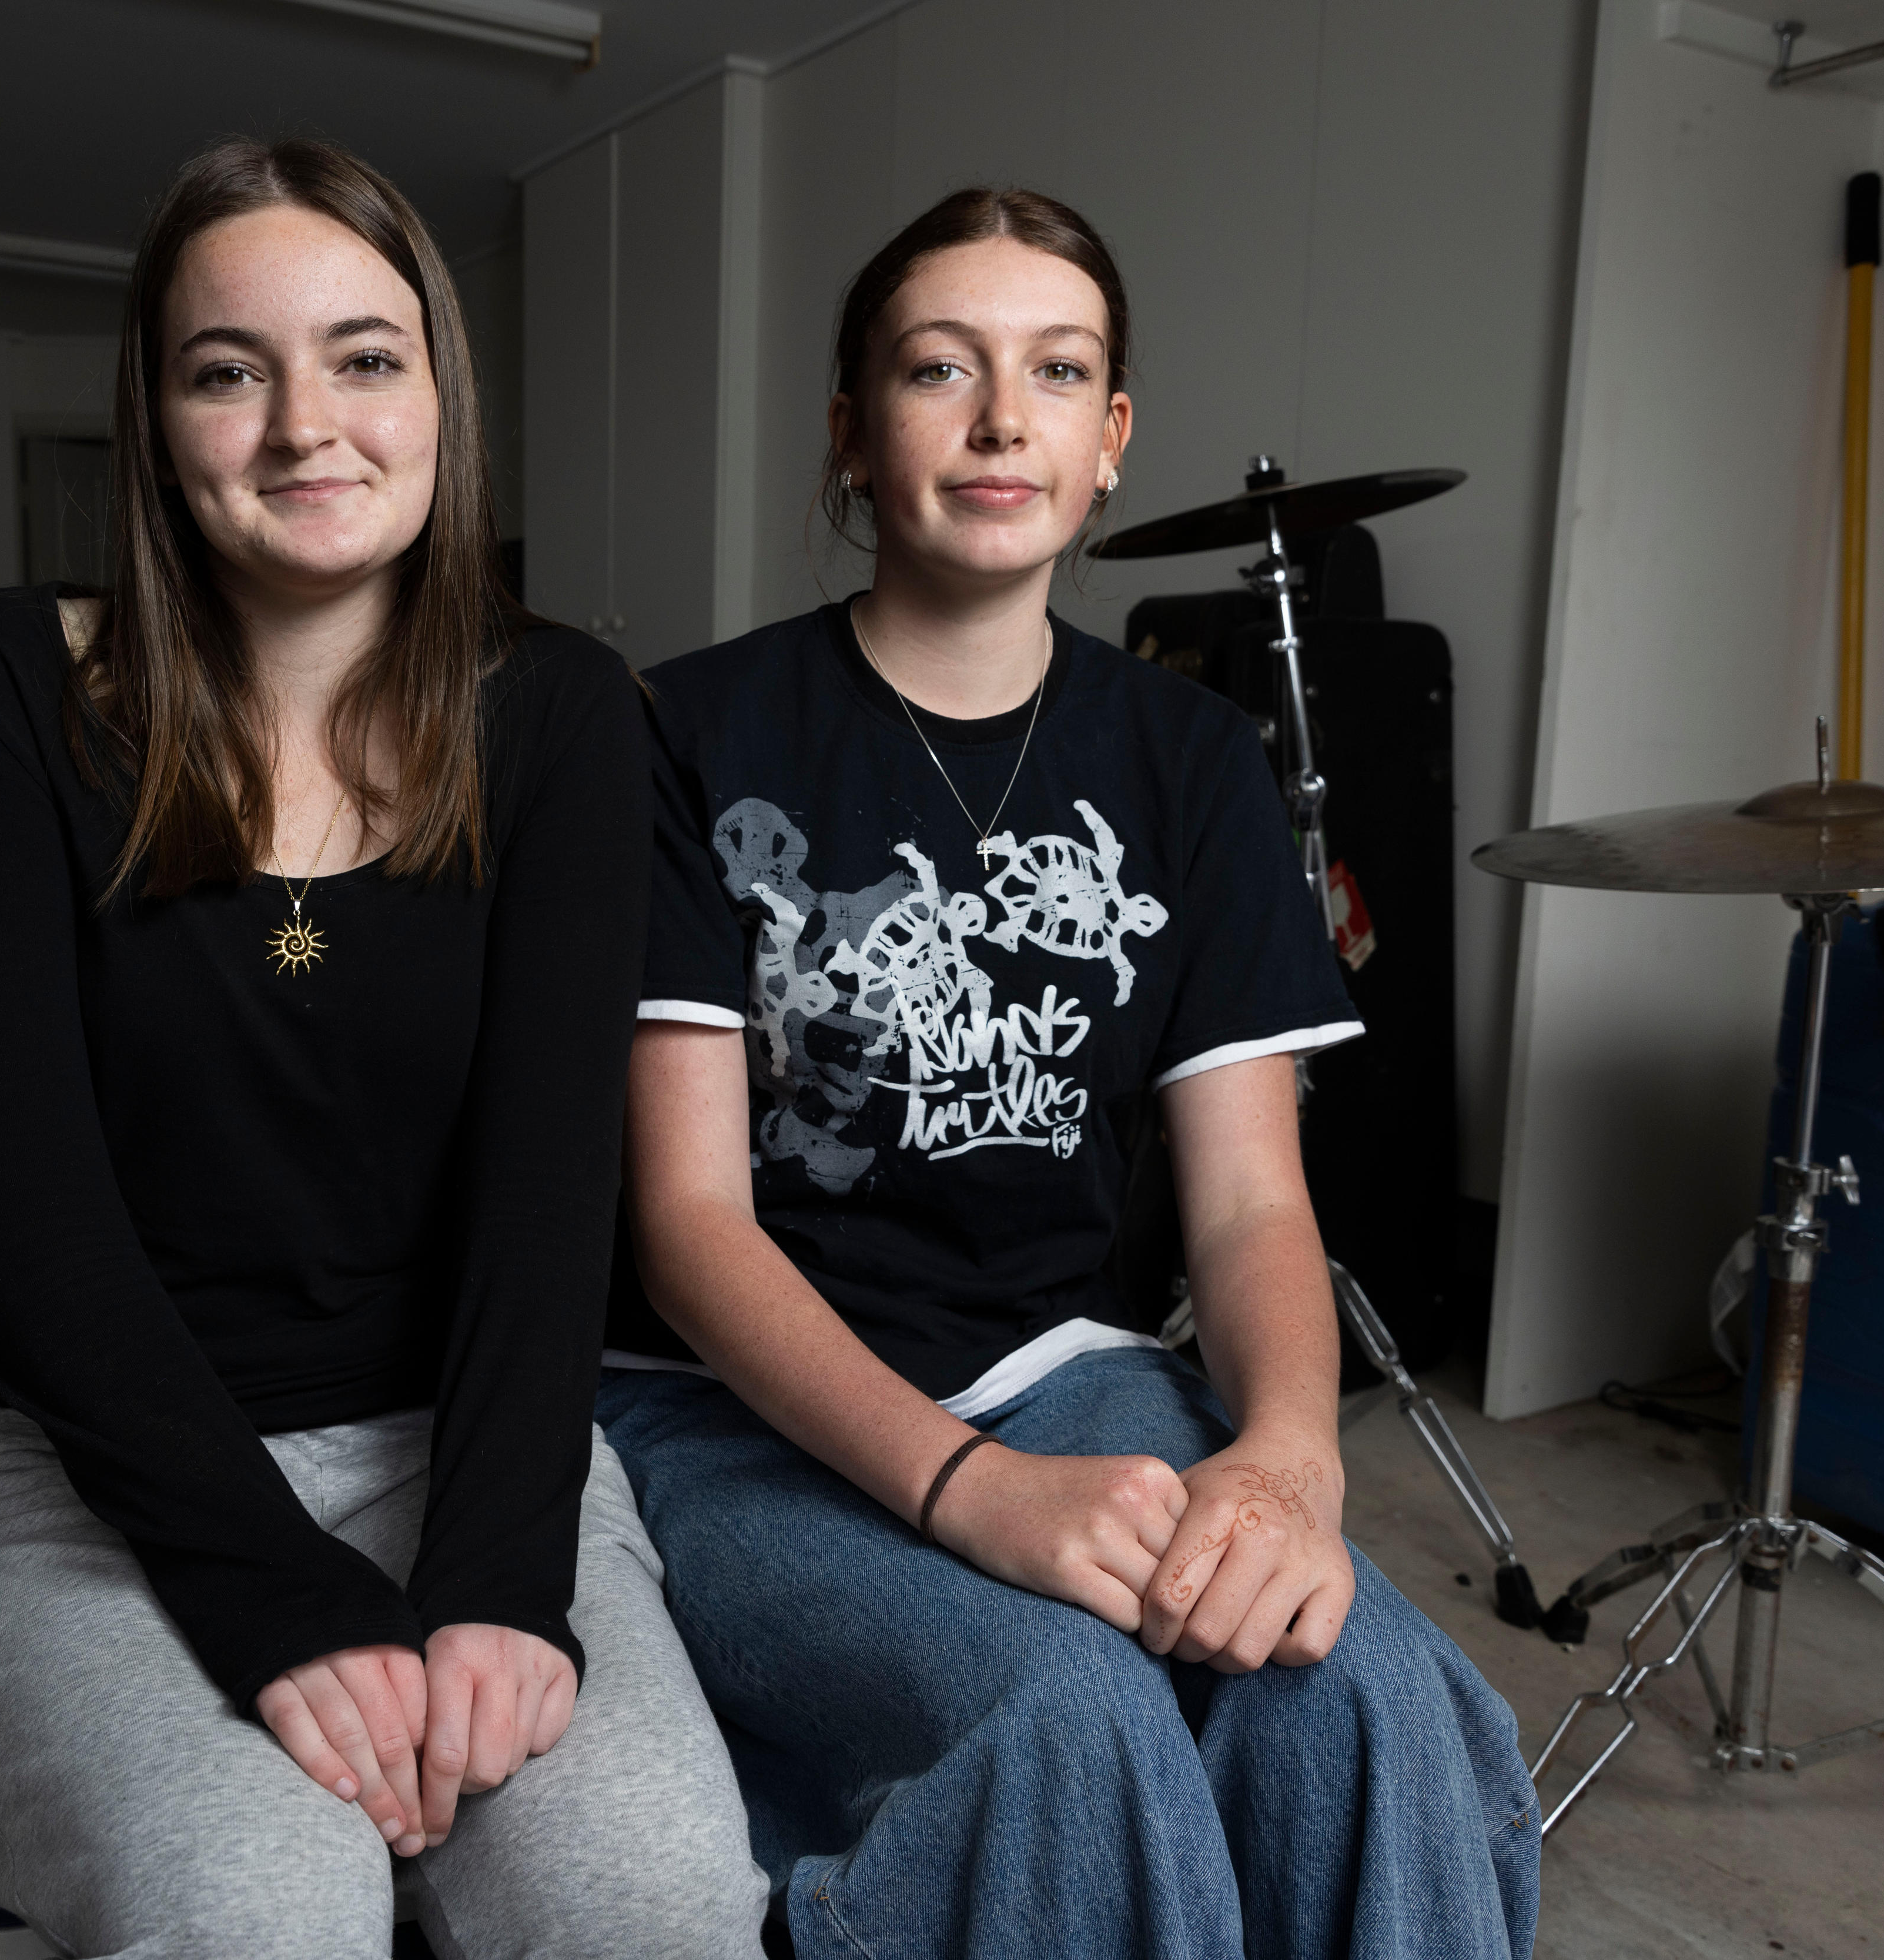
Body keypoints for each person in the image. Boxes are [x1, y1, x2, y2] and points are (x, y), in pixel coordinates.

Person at [598, 185, 1541, 1959]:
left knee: (1359, 1689)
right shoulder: (685, 730)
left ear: (1110, 441)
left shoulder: (1195, 755)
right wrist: (969, 1493)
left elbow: (1254, 1197)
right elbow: (689, 1226)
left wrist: (1283, 1464)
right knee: (1068, 1720)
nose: (998, 417)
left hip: (1062, 1368)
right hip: (718, 1408)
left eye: (1057, 372)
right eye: (939, 368)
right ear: (854, 431)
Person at [0, 136, 767, 1959]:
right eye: (229, 370)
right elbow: (28, 1234)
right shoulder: (1, 691)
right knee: (256, 1906)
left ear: (440, 391)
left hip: (467, 1441)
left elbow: (545, 1203)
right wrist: (273, 1598)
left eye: (365, 357)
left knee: (654, 1901)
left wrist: (505, 1580)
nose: (306, 424)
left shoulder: (565, 718)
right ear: (157, 415)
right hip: (70, 1463)